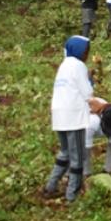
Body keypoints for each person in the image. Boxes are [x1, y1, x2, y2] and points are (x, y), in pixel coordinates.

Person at [43, 36, 93, 201]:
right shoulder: (79, 66)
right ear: (79, 51)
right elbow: (87, 93)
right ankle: (72, 195)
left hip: (59, 115)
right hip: (74, 117)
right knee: (77, 156)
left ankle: (51, 186)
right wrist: (91, 81)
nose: (87, 54)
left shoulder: (64, 65)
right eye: (86, 51)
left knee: (64, 151)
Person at [84, 98, 111, 177]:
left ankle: (108, 171)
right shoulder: (90, 123)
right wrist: (87, 174)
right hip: (79, 122)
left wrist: (109, 170)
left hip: (102, 125)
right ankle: (84, 172)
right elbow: (85, 149)